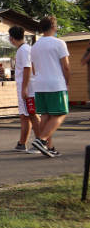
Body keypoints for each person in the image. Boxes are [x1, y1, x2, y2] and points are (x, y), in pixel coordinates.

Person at [30, 16, 71, 157]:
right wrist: (66, 82)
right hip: (55, 83)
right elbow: (66, 66)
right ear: (54, 27)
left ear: (41, 28)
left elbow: (34, 70)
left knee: (45, 115)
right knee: (61, 113)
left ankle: (50, 147)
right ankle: (41, 140)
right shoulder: (59, 43)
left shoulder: (34, 46)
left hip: (39, 84)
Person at [8, 26, 41, 153]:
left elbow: (28, 68)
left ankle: (40, 142)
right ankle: (22, 143)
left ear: (11, 39)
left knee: (32, 114)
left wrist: (24, 88)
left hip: (28, 88)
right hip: (25, 87)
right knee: (24, 116)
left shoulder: (24, 50)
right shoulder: (24, 49)